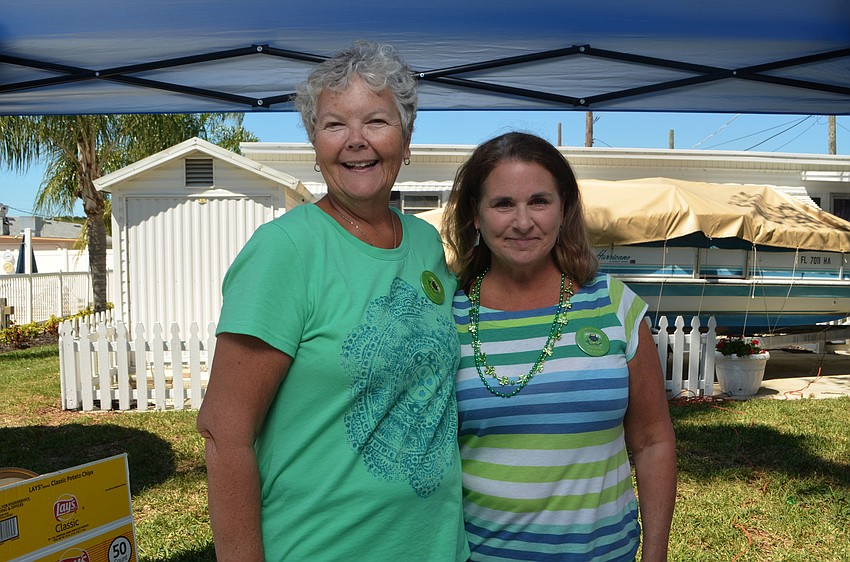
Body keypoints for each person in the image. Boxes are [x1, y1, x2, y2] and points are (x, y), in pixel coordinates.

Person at [196, 41, 468, 562]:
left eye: (377, 121)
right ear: (314, 143)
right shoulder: (286, 250)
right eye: (334, 124)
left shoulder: (425, 244)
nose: (356, 141)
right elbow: (224, 433)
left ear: (406, 139)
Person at [443, 132, 676, 561]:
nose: (523, 221)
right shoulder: (447, 318)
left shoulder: (613, 304)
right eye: (502, 204)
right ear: (475, 215)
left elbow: (652, 441)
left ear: (564, 209)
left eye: (539, 201)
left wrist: (656, 553)